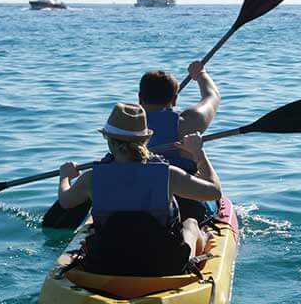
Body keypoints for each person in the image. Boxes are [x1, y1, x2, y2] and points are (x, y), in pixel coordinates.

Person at [58, 103, 222, 276]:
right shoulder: (168, 175)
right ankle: (201, 241)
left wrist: (65, 177)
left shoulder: (91, 178)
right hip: (163, 265)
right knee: (191, 223)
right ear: (145, 140)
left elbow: (65, 201)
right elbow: (214, 191)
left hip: (105, 264)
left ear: (109, 140)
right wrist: (198, 153)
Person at [138, 61, 220, 219]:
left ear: (140, 98)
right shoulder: (188, 122)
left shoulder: (124, 126)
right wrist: (201, 74)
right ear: (175, 100)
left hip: (142, 197)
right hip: (187, 200)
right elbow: (212, 96)